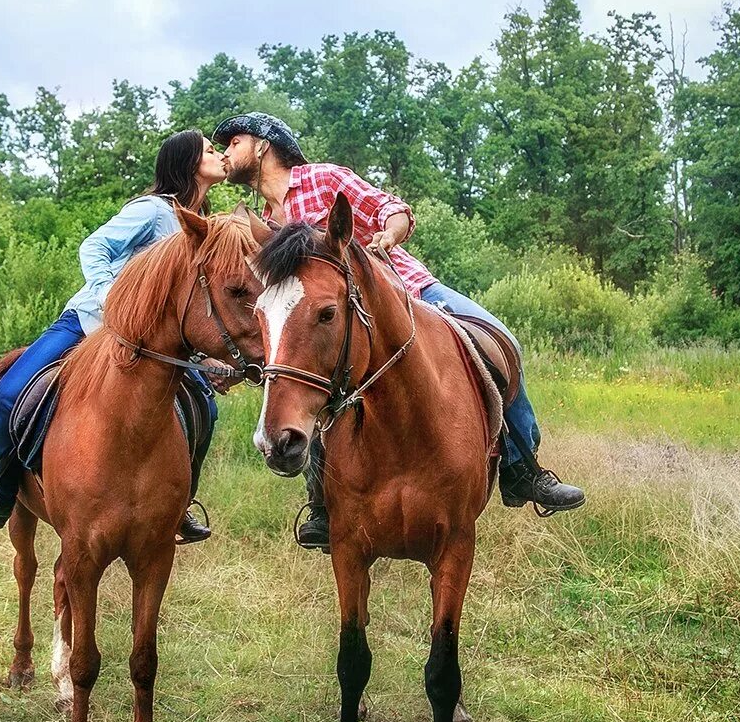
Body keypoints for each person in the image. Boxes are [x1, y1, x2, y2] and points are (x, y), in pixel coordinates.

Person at [212, 112, 585, 548]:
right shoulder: (263, 223)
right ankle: (322, 507)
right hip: (337, 327)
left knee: (502, 341)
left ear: (262, 145)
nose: (225, 153)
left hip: (408, 292)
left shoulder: (322, 179)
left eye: (233, 142)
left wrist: (388, 235)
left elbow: (391, 209)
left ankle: (523, 470)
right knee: (311, 383)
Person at [0, 129, 231, 541]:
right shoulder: (154, 211)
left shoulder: (202, 228)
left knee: (206, 408)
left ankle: (180, 504)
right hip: (87, 323)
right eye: (210, 150)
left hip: (149, 346)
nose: (221, 155)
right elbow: (94, 246)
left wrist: (205, 356)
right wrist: (109, 301)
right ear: (188, 162)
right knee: (10, 392)